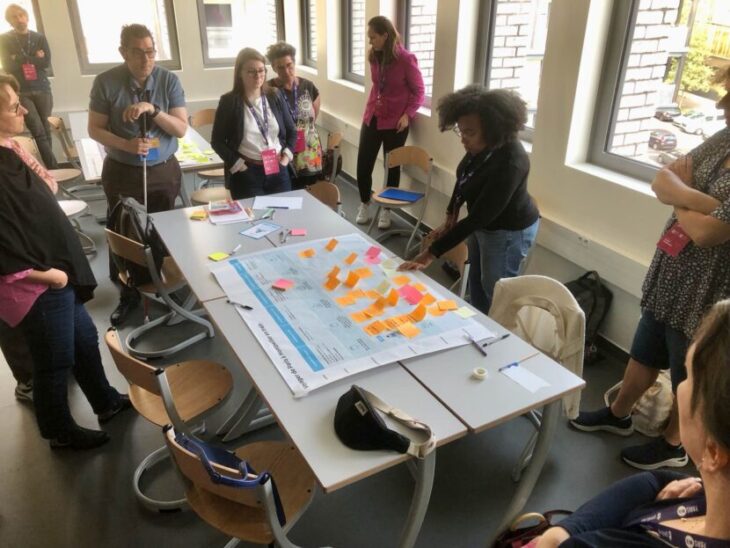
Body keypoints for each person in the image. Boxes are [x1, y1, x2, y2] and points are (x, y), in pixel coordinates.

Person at [570, 87, 730, 471]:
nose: (724, 114)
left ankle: (675, 443)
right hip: (673, 271)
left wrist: (682, 197)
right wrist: (706, 204)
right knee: (645, 347)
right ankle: (620, 412)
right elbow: (662, 180)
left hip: (707, 287)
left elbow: (709, 235)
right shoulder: (723, 140)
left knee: (687, 369)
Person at [0, 74, 130, 450]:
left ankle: (104, 401)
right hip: (34, 282)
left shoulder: (10, 151)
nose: (24, 109)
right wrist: (49, 276)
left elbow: (45, 191)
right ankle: (58, 430)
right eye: (13, 107)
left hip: (55, 272)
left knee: (84, 340)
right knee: (54, 360)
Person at [534, 299, 730, 547]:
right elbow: (655, 481)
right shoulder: (701, 493)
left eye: (688, 377)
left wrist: (555, 538)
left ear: (713, 452)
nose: (679, 386)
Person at [398, 85, 539, 315]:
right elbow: (465, 176)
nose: (463, 139)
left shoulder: (511, 161)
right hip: (484, 224)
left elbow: (478, 218)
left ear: (493, 129)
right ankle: (480, 323)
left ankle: (501, 334)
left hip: (508, 231)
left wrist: (430, 253)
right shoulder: (481, 146)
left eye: (470, 133)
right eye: (460, 131)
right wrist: (451, 213)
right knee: (476, 281)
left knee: (497, 290)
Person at [88, 24, 188, 327]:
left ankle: (165, 287)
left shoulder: (168, 80)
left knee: (162, 229)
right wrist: (128, 145)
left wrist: (153, 110)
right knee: (125, 232)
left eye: (150, 51)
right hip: (122, 171)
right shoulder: (106, 82)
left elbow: (181, 129)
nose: (146, 59)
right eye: (137, 52)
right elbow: (95, 129)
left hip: (162, 169)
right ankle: (130, 292)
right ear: (123, 53)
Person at [355, 15, 425, 230]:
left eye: (373, 37)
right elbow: (378, 86)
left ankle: (387, 210)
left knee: (391, 166)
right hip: (373, 117)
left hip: (396, 122)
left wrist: (408, 114)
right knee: (363, 164)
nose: (370, 41)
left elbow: (419, 91)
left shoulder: (406, 59)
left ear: (386, 35)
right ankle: (365, 203)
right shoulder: (373, 56)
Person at [211, 47, 297, 200]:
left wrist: (286, 158)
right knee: (254, 219)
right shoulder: (229, 102)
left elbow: (291, 131)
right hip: (248, 173)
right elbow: (217, 141)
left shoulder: (275, 95)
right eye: (251, 71)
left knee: (285, 216)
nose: (258, 75)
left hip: (278, 167)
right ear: (240, 73)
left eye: (261, 70)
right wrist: (239, 165)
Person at [0, 3, 57, 168]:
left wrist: (18, 58)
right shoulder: (4, 39)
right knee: (38, 131)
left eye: (21, 15)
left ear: (27, 17)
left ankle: (49, 168)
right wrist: (34, 57)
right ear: (9, 21)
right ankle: (53, 169)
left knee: (46, 129)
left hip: (43, 89)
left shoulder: (39, 37)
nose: (19, 19)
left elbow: (45, 63)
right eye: (14, 17)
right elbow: (8, 67)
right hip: (22, 92)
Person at [266, 41, 323, 190]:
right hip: (280, 151)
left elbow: (313, 118)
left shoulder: (308, 87)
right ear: (273, 67)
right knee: (281, 193)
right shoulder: (268, 91)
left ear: (294, 63)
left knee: (309, 193)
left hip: (307, 152)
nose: (286, 71)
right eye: (280, 67)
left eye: (289, 65)